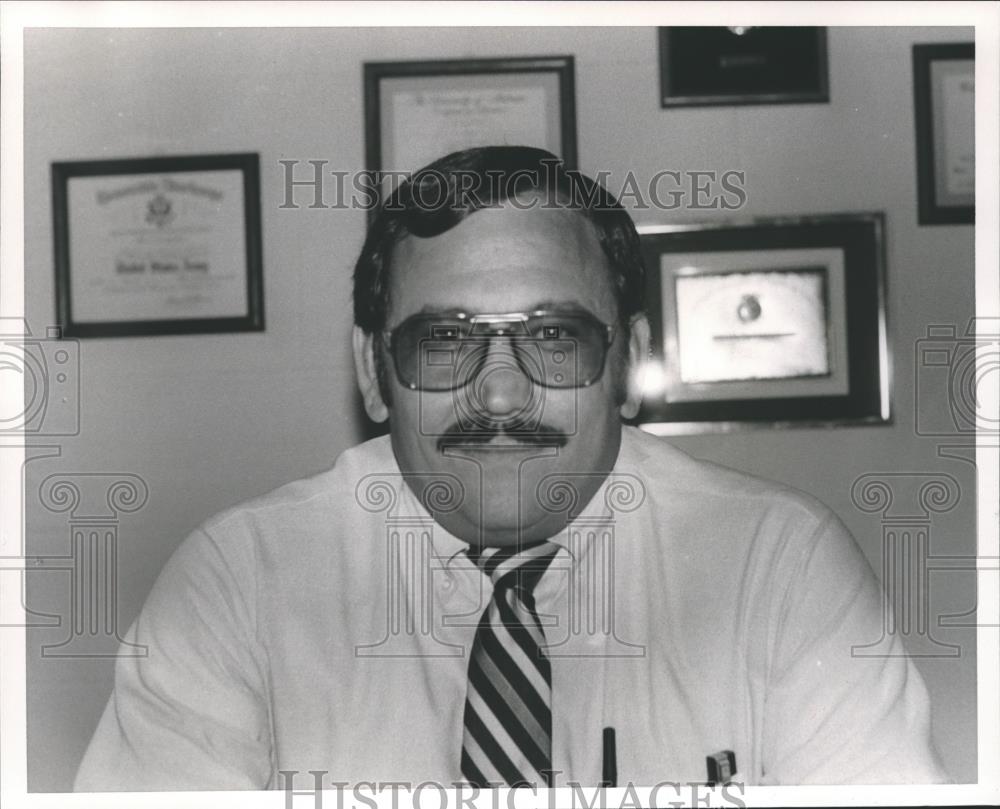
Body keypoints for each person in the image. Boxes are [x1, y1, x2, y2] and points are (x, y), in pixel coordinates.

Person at [75, 146, 947, 790]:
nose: (497, 394)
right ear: (374, 372)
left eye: (554, 338)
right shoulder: (235, 586)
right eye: (445, 340)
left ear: (628, 364)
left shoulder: (779, 569)